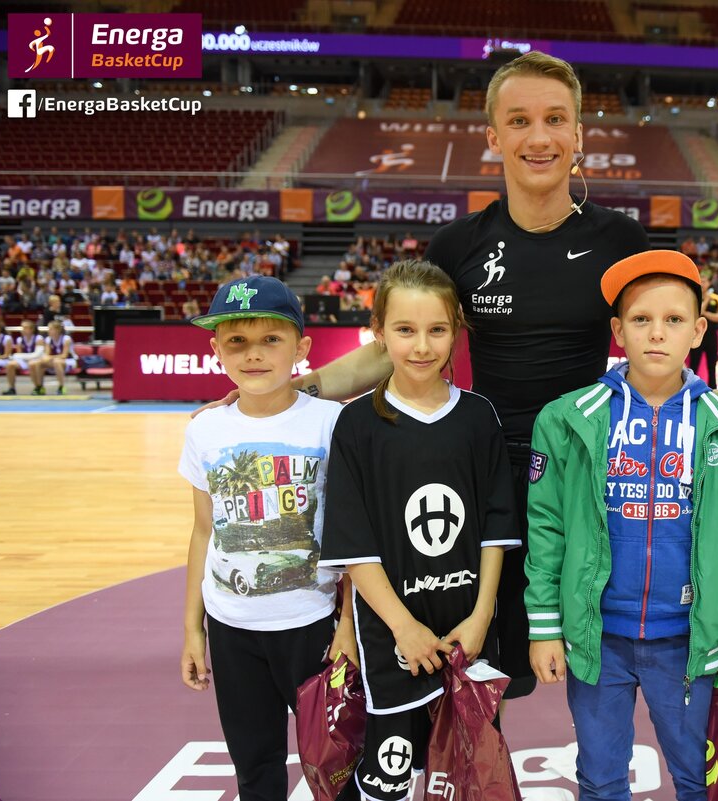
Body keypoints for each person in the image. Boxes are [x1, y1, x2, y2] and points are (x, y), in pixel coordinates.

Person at [200, 51, 652, 701]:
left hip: (586, 475)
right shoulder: (460, 245)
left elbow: (657, 346)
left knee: (594, 659)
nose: (540, 137)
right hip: (483, 476)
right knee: (487, 670)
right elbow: (395, 349)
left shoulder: (623, 242)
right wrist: (296, 388)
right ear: (493, 136)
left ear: (579, 135)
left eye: (556, 119)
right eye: (519, 120)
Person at [525, 250, 718, 801]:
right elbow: (547, 530)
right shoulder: (566, 419)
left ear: (698, 331)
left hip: (689, 641)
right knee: (600, 778)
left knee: (700, 778)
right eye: (641, 319)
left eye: (673, 319)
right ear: (618, 331)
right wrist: (544, 625)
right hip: (598, 639)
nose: (657, 333)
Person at [319, 261, 519, 800]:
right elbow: (353, 544)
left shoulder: (477, 417)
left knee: (471, 778)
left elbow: (495, 529)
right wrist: (403, 627)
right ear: (379, 332)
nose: (423, 346)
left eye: (437, 329)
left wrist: (481, 617)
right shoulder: (356, 424)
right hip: (392, 640)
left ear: (457, 332)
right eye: (405, 330)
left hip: (468, 636)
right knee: (389, 781)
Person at [179, 275, 357, 801]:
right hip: (231, 628)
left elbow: (356, 539)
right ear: (216, 351)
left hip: (314, 623)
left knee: (338, 767)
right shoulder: (205, 429)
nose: (253, 354)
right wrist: (192, 628)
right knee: (254, 769)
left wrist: (348, 629)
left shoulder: (333, 423)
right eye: (237, 341)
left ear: (301, 348)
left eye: (271, 340)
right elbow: (203, 530)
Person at [688, 271, 718, 388]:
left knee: (712, 366)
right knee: (694, 365)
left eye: (705, 281)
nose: (703, 284)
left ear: (709, 283)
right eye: (701, 281)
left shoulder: (716, 298)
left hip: (711, 336)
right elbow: (698, 313)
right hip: (697, 335)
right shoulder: (694, 297)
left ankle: (713, 390)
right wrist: (706, 301)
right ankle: (690, 389)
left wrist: (707, 314)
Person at [31, 319, 76, 395]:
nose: (48, 331)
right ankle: (39, 387)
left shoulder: (66, 339)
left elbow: (64, 355)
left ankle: (61, 387)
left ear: (58, 330)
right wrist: (45, 358)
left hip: (69, 361)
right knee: (38, 363)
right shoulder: (48, 339)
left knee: (57, 362)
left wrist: (50, 357)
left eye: (51, 329)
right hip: (54, 360)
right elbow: (47, 354)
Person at [5, 319, 45, 395]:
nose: (23, 330)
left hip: (37, 360)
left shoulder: (38, 338)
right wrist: (18, 356)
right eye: (22, 328)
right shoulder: (20, 340)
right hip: (25, 361)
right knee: (10, 364)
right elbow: (19, 355)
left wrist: (17, 355)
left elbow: (37, 355)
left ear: (32, 329)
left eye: (25, 328)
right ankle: (12, 388)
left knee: (32, 363)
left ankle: (38, 387)